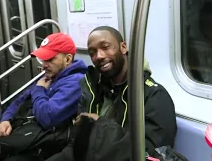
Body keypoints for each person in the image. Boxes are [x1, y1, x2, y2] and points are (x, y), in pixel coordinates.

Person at [46, 26, 177, 161]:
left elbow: (149, 153)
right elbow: (78, 146)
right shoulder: (93, 89)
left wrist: (98, 123)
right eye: (92, 53)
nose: (99, 56)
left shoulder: (153, 96)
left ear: (123, 47)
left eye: (105, 47)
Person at [0, 33, 88, 161]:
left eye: (50, 59)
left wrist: (39, 90)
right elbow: (19, 100)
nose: (44, 65)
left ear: (68, 59)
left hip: (41, 143)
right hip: (22, 133)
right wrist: (6, 119)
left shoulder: (75, 82)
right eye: (43, 59)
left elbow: (48, 117)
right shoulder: (50, 75)